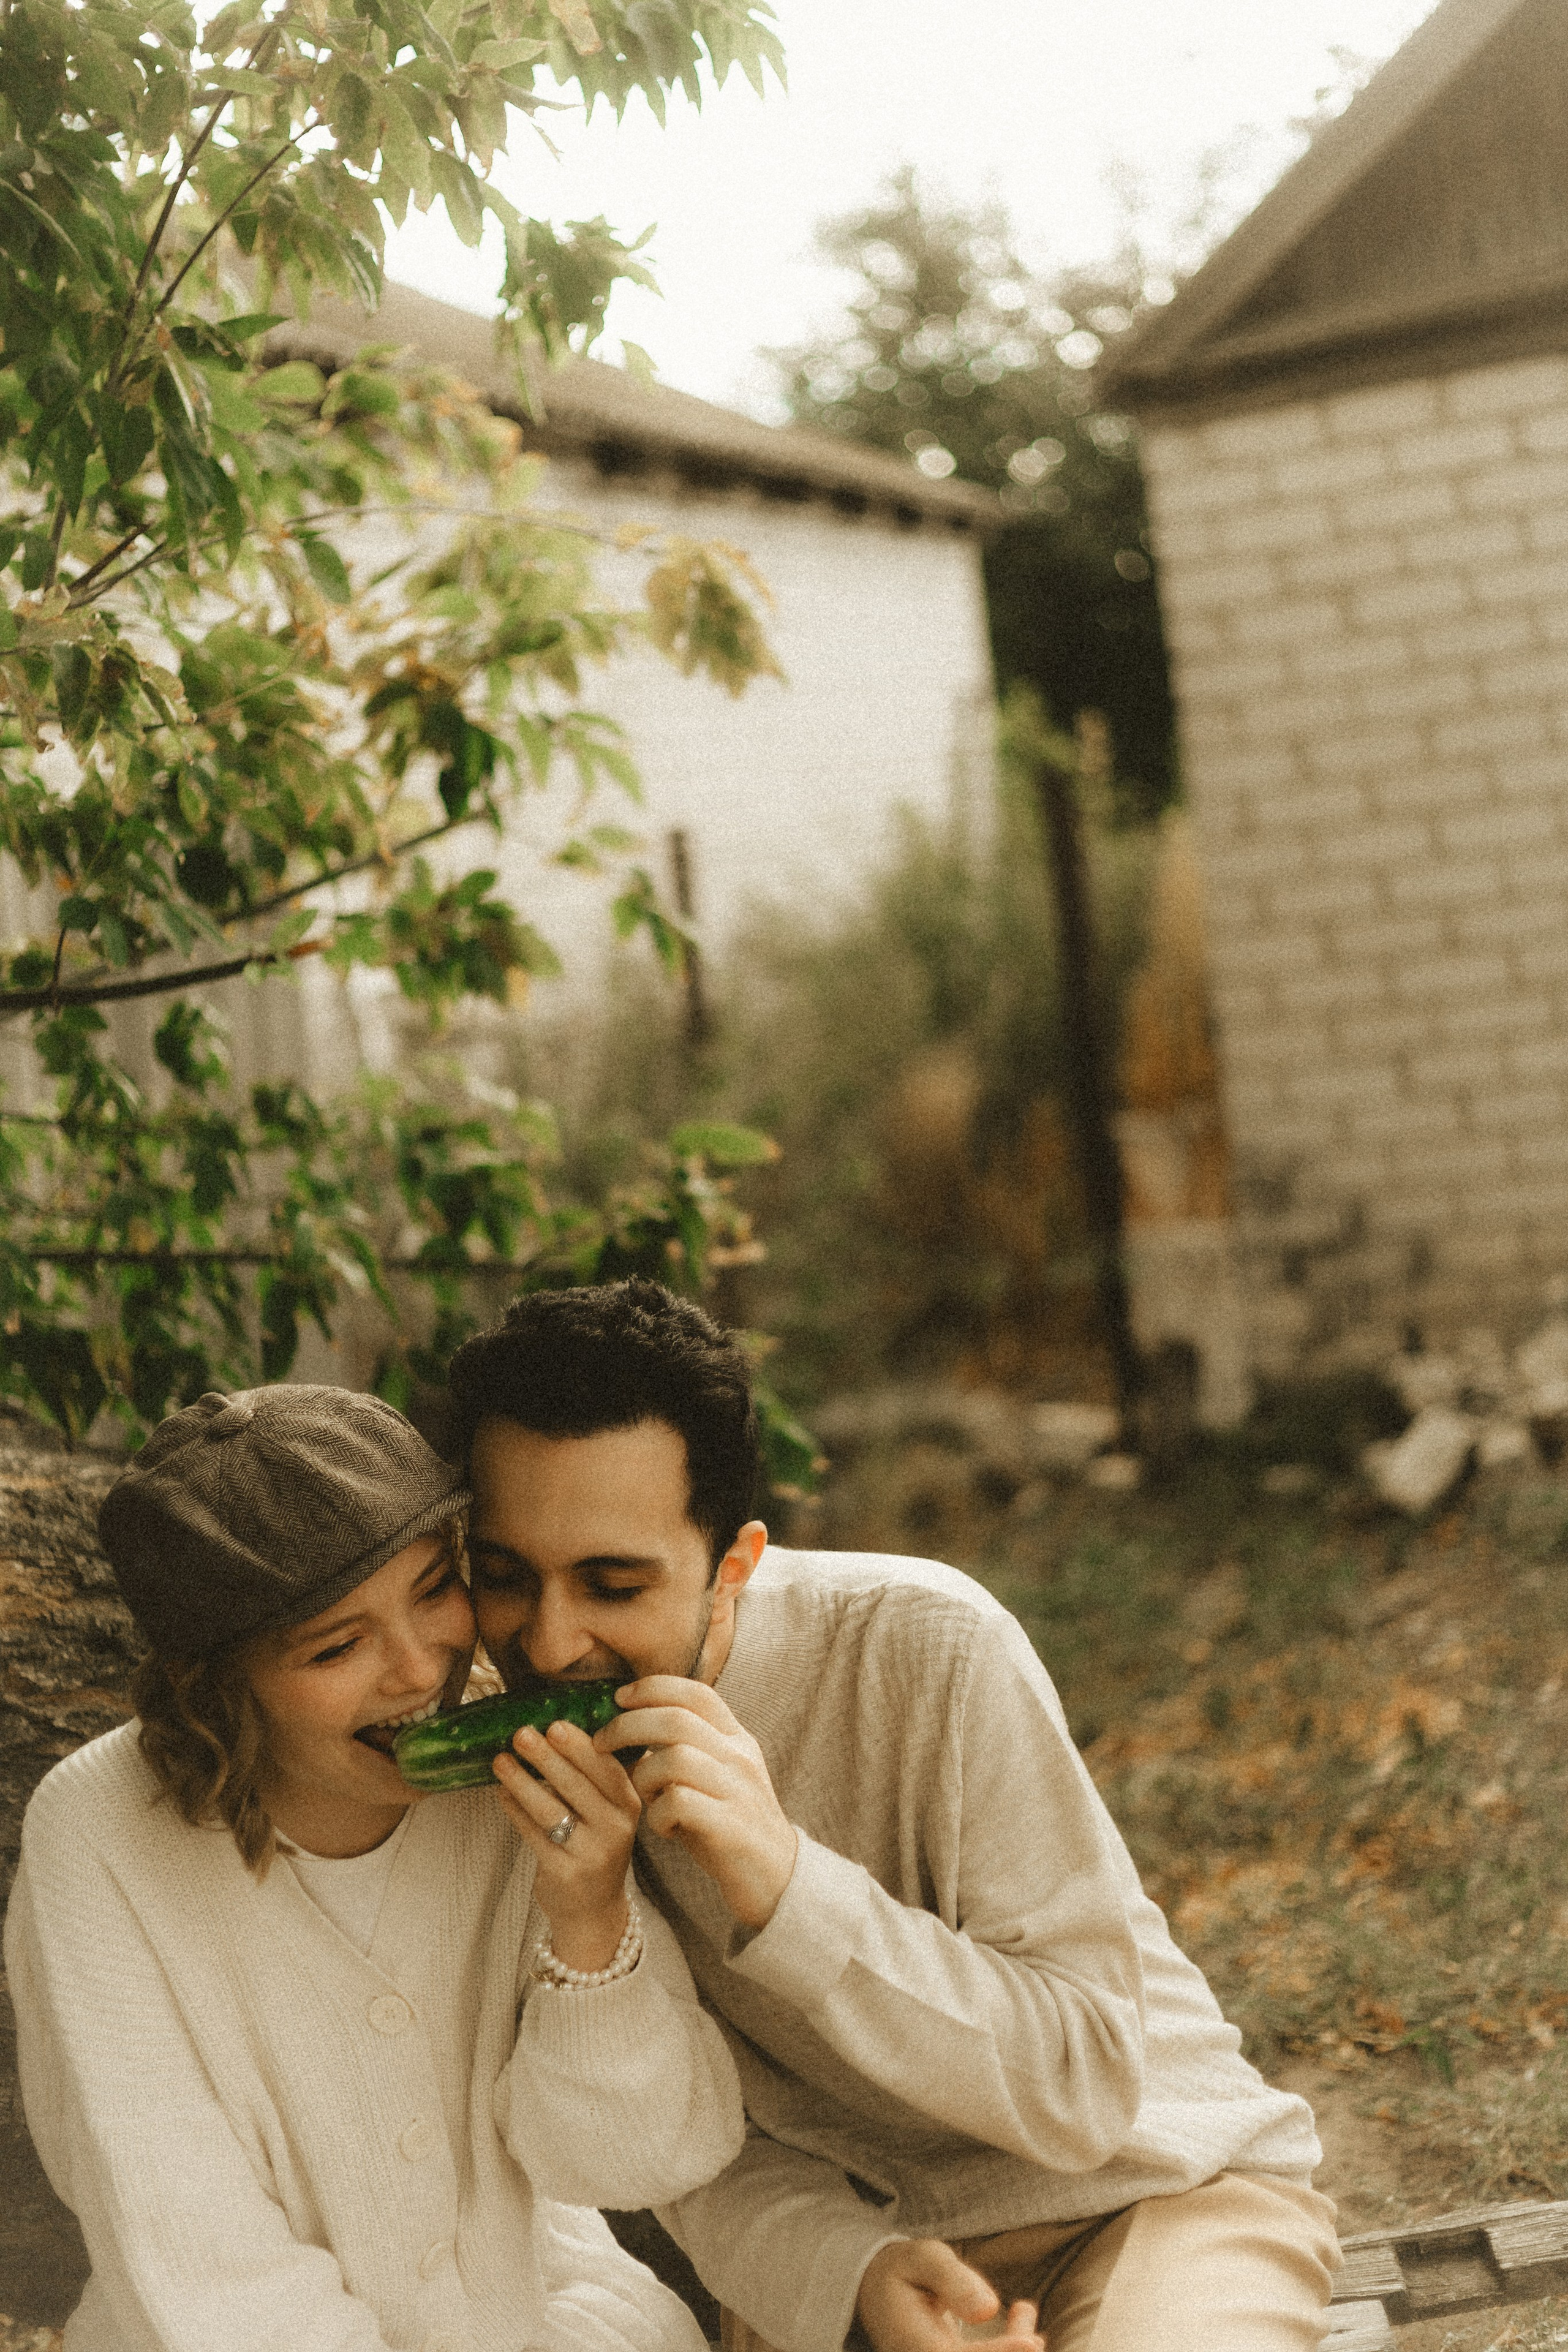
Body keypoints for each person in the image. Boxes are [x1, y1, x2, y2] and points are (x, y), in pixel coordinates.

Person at [447, 1279, 1342, 2352]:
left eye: (615, 1585)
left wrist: (788, 1887)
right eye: (506, 1577)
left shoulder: (929, 1648)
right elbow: (691, 2149)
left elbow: (1089, 2085)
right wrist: (850, 2278)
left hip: (1155, 2189)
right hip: (854, 2258)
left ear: (733, 1568)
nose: (548, 1647)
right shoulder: (489, 1758)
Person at [4, 1382, 746, 2352]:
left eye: (437, 1587)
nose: (419, 1668)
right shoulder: (99, 1836)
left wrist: (589, 1915)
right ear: (219, 1684)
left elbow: (635, 2164)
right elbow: (211, 2278)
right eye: (338, 1645)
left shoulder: (512, 1791)